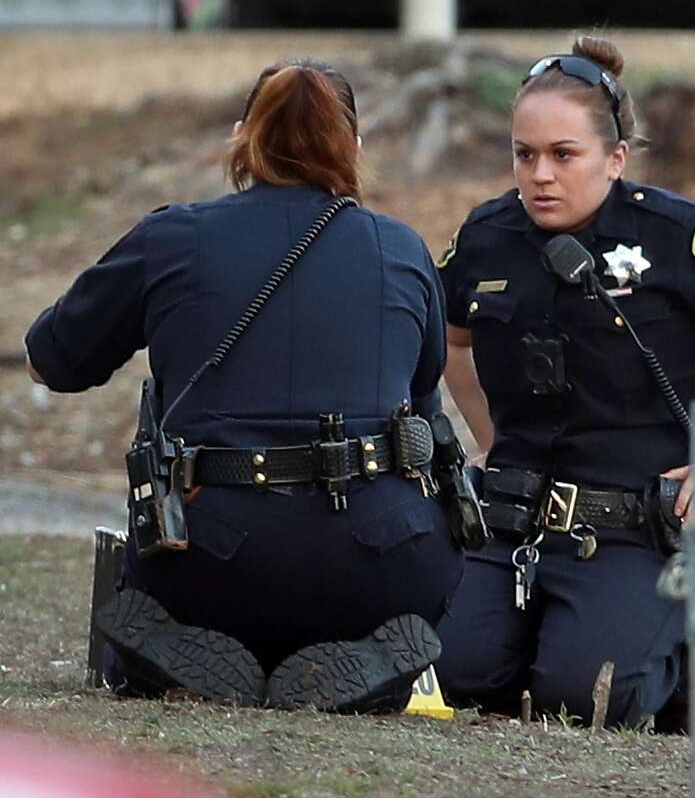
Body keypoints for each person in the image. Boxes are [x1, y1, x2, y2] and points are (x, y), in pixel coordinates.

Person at [25, 59, 463, 712]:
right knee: (404, 535)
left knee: (168, 593)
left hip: (207, 559)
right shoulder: (402, 249)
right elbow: (423, 405)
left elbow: (51, 363)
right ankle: (369, 661)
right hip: (379, 563)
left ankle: (168, 655)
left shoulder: (172, 237)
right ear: (353, 147)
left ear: (241, 137)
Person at [434, 35, 695, 729]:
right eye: (524, 154)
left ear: (615, 157)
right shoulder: (488, 235)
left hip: (630, 527)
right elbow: (450, 339)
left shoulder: (679, 234)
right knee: (452, 673)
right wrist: (491, 437)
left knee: (590, 698)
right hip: (514, 517)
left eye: (564, 155)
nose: (540, 175)